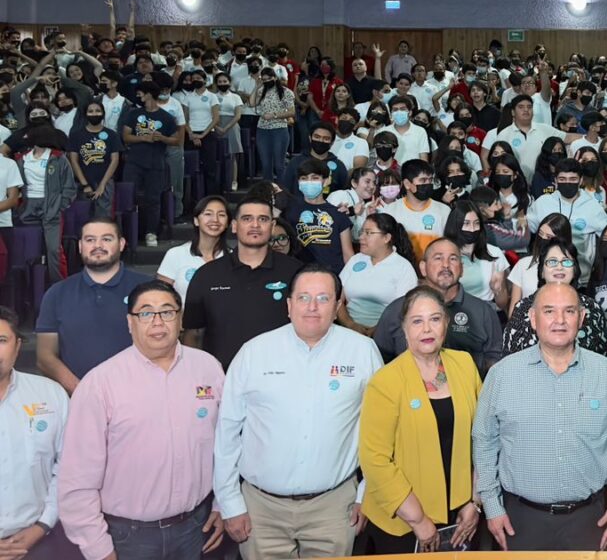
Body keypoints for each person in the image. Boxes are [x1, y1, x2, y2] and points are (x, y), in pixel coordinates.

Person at [214, 265, 382, 559]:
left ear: (337, 306)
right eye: (304, 297)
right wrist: (230, 503)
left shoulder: (363, 351)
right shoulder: (254, 352)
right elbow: (227, 432)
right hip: (260, 510)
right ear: (289, 305)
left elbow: (379, 431)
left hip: (334, 508)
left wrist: (366, 494)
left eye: (323, 298)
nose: (312, 307)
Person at [58, 281, 226, 560]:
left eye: (167, 312)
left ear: (180, 319)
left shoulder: (208, 368)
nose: (158, 322)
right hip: (128, 537)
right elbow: (77, 477)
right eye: (146, 313)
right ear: (130, 322)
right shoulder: (100, 383)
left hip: (196, 527)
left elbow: (225, 445)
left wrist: (223, 504)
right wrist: (97, 548)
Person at [472, 283, 607, 551]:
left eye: (569, 311)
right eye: (549, 311)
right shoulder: (503, 374)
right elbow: (484, 441)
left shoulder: (605, 372)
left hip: (591, 518)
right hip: (520, 520)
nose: (559, 320)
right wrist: (492, 507)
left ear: (581, 318)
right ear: (533, 319)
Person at [358, 287, 483, 553]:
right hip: (402, 523)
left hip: (460, 515)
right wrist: (418, 520)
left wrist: (474, 501)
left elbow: (483, 437)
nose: (427, 329)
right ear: (404, 328)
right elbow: (374, 459)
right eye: (417, 321)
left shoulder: (464, 364)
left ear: (446, 323)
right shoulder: (385, 381)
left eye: (435, 319)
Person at [182, 198, 305, 369]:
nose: (255, 225)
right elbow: (193, 333)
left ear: (272, 226)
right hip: (221, 377)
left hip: (282, 375)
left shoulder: (296, 272)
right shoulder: (206, 275)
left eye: (263, 219)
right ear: (234, 226)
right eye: (247, 219)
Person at [35, 218, 152, 395]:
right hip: (77, 397)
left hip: (140, 396)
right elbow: (45, 357)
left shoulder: (149, 289)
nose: (98, 245)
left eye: (106, 239)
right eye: (90, 240)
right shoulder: (57, 293)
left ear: (121, 244)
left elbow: (165, 345)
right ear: (80, 246)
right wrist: (83, 392)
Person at [0, 305, 78, 560]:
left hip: (41, 538)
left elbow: (68, 466)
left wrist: (43, 525)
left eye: (1, 340)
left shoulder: (50, 395)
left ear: (18, 346)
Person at [373, 238, 503, 371]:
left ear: (462, 269)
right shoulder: (397, 310)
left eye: (453, 259)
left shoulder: (483, 312)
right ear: (423, 268)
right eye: (438, 258)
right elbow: (378, 360)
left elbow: (496, 360)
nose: (446, 265)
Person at [502, 238, 607, 357]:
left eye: (566, 262)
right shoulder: (523, 308)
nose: (559, 267)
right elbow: (509, 357)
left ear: (574, 270)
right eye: (552, 262)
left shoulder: (592, 308)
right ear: (542, 271)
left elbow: (604, 356)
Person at [338, 212, 418, 337]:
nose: (361, 237)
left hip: (386, 333)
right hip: (347, 329)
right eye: (362, 232)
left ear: (386, 238)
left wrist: (376, 331)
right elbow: (337, 299)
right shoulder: (356, 260)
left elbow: (403, 310)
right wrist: (350, 324)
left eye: (368, 233)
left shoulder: (403, 267)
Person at [527, 158, 607, 278]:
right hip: (544, 274)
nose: (567, 183)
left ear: (580, 180)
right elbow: (528, 230)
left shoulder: (593, 207)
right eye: (562, 179)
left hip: (580, 277)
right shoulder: (542, 203)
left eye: (572, 179)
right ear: (555, 180)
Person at [15, 124, 76, 279]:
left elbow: (69, 186)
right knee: (30, 250)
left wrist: (60, 206)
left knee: (54, 249)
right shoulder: (22, 158)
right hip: (28, 207)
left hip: (52, 207)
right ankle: (32, 284)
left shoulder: (58, 157)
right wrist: (20, 207)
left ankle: (59, 284)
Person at [156, 196, 229, 304]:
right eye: (208, 214)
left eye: (221, 215)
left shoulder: (234, 258)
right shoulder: (176, 254)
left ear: (227, 223)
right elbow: (159, 298)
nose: (215, 220)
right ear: (196, 221)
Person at [285, 158, 355, 270]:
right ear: (298, 183)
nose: (309, 182)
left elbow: (348, 255)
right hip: (301, 274)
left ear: (326, 181)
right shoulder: (289, 211)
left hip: (333, 275)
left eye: (315, 178)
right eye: (304, 178)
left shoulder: (338, 213)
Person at [67, 99, 122, 217]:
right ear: (85, 114)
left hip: (105, 182)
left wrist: (103, 185)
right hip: (83, 182)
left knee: (104, 218)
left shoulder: (112, 135)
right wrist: (85, 184)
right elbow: (74, 161)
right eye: (90, 111)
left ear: (103, 113)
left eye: (97, 111)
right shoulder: (76, 135)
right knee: (83, 218)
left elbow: (115, 160)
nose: (94, 114)